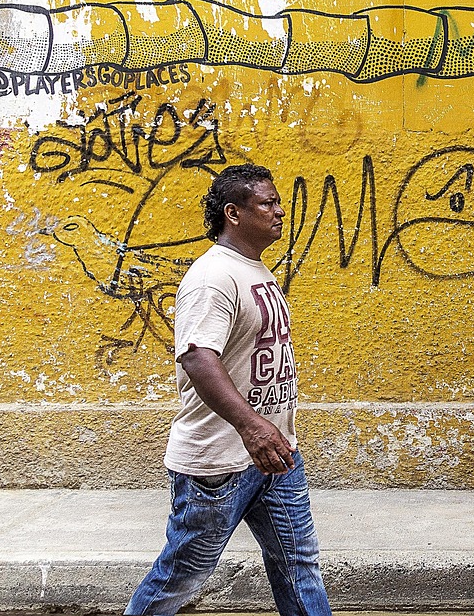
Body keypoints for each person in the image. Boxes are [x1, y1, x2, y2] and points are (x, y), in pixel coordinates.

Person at [126, 164, 331, 616]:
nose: (279, 211)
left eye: (277, 202)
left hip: (275, 457)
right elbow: (199, 358)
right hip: (219, 464)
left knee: (299, 566)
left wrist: (268, 435)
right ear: (233, 213)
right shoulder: (212, 277)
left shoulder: (253, 270)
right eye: (268, 203)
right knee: (183, 575)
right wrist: (252, 427)